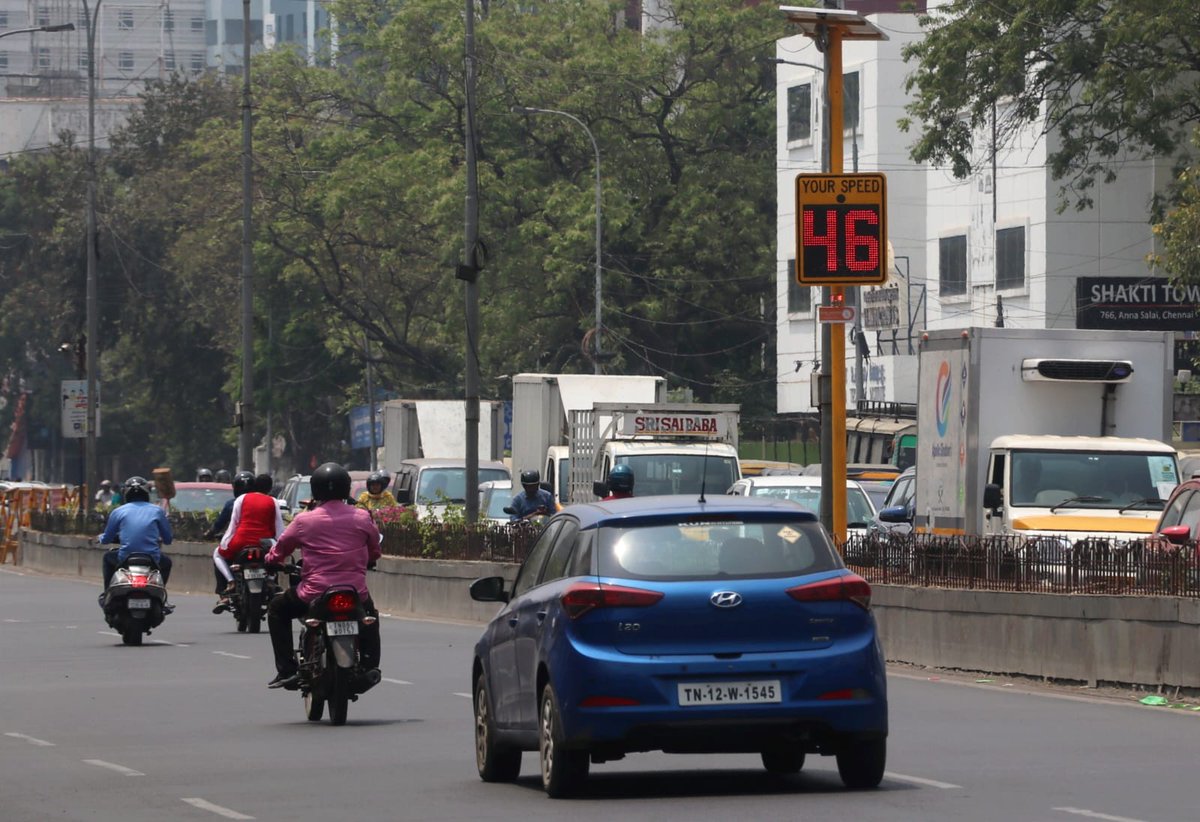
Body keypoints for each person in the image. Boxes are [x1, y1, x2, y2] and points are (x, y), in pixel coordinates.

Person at [264, 462, 383, 690]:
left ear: (315, 490)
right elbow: (375, 551)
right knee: (371, 617)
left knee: (277, 609)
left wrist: (271, 561)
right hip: (355, 592)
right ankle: (370, 668)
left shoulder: (303, 520)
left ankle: (287, 670)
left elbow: (279, 550)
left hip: (313, 594)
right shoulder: (362, 517)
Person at [212, 471, 284, 613]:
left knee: (217, 554)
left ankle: (230, 582)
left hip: (241, 541)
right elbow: (279, 529)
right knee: (277, 558)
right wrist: (281, 546)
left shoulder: (241, 499)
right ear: (270, 488)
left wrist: (224, 544)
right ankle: (270, 580)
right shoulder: (273, 501)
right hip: (265, 543)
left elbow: (233, 525)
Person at [98, 476, 173, 608]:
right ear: (146, 493)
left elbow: (106, 539)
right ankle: (162, 597)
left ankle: (106, 594)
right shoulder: (157, 511)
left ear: (126, 493)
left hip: (124, 557)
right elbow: (168, 539)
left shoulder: (118, 512)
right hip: (152, 559)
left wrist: (100, 538)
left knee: (107, 558)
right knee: (167, 562)